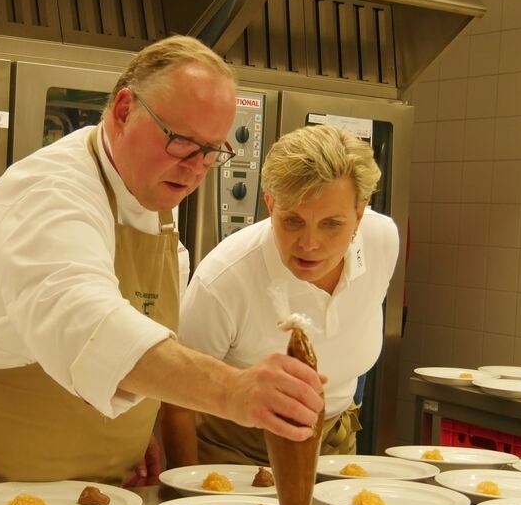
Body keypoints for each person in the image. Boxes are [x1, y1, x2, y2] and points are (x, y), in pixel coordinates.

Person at [0, 35, 324, 495]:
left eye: (212, 152)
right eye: (181, 142)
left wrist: (140, 422)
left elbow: (139, 334)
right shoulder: (52, 190)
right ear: (124, 110)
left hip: (91, 496)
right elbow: (83, 318)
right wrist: (233, 391)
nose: (196, 168)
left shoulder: (153, 205)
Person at [162, 124, 399, 467]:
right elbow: (178, 399)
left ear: (359, 214)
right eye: (292, 221)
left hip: (333, 445)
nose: (310, 244)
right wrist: (184, 494)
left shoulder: (381, 241)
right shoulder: (226, 279)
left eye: (331, 224)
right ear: (270, 205)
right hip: (234, 453)